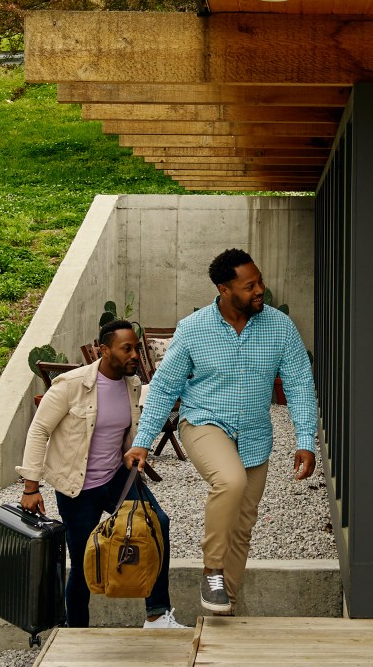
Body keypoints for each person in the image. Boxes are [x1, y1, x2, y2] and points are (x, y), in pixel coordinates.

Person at [124, 248, 319, 616]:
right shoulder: (194, 329)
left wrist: (305, 441)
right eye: (250, 286)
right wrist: (143, 443)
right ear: (224, 289)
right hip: (204, 423)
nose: (260, 289)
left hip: (256, 435)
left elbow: (299, 385)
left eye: (259, 281)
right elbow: (165, 388)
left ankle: (224, 604)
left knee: (242, 526)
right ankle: (212, 569)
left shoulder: (280, 327)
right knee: (229, 481)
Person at [20, 320, 181, 630]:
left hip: (116, 478)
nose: (136, 354)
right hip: (77, 486)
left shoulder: (132, 385)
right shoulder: (70, 384)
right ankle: (77, 629)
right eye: (127, 348)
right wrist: (31, 487)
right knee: (83, 562)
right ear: (104, 350)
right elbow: (40, 430)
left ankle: (157, 615)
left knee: (157, 524)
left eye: (136, 347)